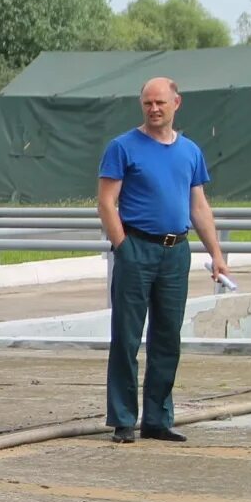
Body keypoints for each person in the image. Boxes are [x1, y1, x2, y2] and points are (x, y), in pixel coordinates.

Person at [97, 76, 232, 444]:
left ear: (176, 103)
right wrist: (122, 245)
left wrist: (217, 254)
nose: (154, 109)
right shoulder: (122, 147)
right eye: (147, 103)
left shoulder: (189, 151)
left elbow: (199, 206)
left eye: (160, 103)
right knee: (126, 335)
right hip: (137, 247)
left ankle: (157, 418)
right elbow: (106, 202)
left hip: (176, 252)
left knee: (167, 336)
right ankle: (124, 419)